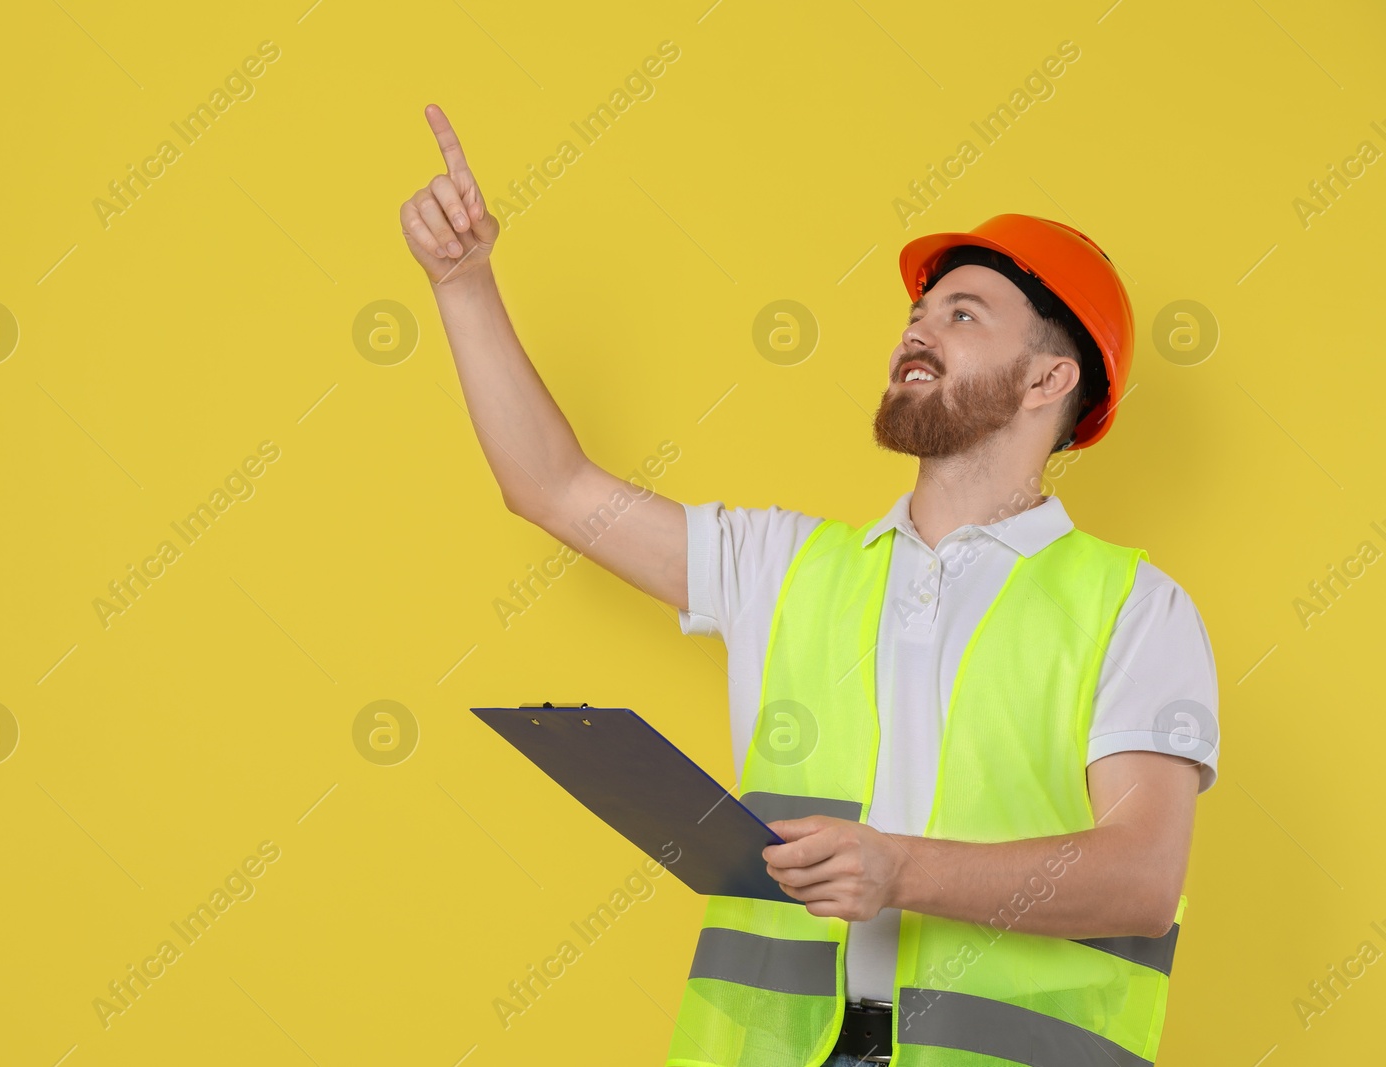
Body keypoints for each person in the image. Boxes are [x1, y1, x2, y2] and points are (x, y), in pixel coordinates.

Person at [402, 103, 1219, 1067]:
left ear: (1048, 381)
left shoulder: (1133, 607)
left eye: (962, 315)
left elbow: (1141, 875)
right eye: (917, 316)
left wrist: (900, 868)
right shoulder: (784, 565)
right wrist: (462, 283)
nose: (917, 334)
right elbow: (553, 487)